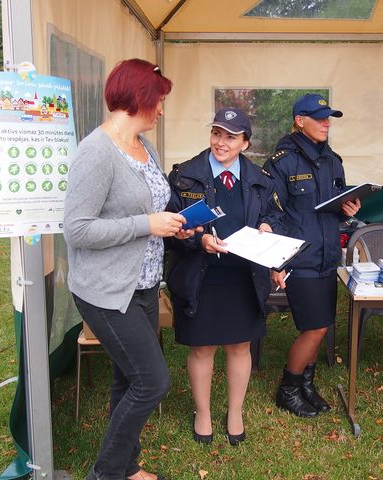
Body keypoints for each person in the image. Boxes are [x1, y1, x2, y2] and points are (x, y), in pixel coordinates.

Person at [64, 59, 195, 480]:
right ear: (139, 97)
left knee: (128, 379)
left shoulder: (144, 146)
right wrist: (146, 225)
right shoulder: (96, 152)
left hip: (144, 285)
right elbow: (77, 230)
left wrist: (175, 225)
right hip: (106, 291)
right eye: (159, 100)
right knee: (152, 382)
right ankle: (106, 474)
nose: (162, 110)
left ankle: (126, 467)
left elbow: (152, 208)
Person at [165, 108, 279, 446]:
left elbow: (275, 215)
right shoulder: (184, 176)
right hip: (201, 274)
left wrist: (268, 225)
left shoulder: (260, 178)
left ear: (245, 143)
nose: (221, 142)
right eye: (216, 133)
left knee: (240, 345)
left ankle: (235, 412)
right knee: (202, 347)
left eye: (231, 137)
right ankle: (202, 413)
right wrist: (197, 240)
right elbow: (169, 228)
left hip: (244, 275)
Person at [263, 93, 361, 418]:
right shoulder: (281, 163)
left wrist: (348, 209)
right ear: (299, 121)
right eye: (319, 118)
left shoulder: (333, 160)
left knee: (323, 324)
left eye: (328, 118)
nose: (326, 123)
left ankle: (306, 384)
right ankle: (288, 388)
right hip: (299, 259)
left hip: (327, 256)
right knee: (315, 328)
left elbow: (336, 205)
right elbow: (271, 214)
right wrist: (278, 261)